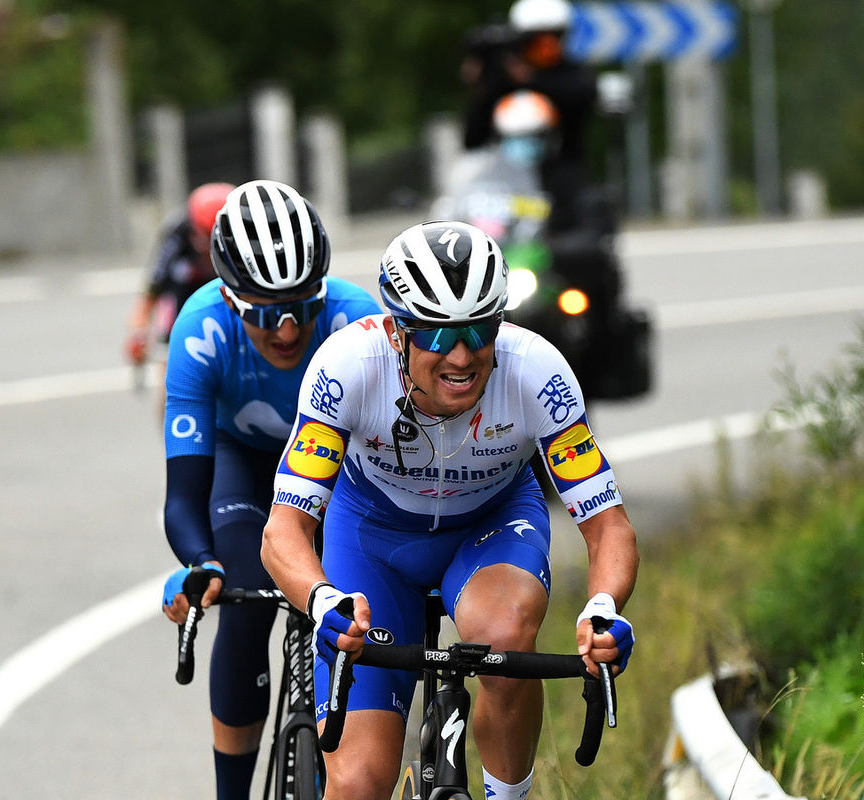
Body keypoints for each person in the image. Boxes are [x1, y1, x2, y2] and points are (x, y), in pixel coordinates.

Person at [260, 220, 639, 800]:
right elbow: (284, 529)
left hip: (492, 527)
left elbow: (607, 525)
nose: (461, 356)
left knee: (506, 636)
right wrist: (321, 598)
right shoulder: (348, 367)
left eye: (479, 329)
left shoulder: (537, 372)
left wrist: (604, 605)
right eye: (436, 336)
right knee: (359, 783)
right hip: (373, 539)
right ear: (396, 332)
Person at [158, 179, 382, 800]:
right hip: (242, 463)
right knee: (245, 599)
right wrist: (200, 564)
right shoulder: (200, 329)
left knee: (355, 600)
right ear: (230, 299)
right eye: (263, 312)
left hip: (338, 467)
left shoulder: (356, 319)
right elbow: (183, 495)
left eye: (301, 306)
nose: (286, 331)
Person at [460, 0, 595, 233]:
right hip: (504, 184)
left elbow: (581, 96)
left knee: (577, 228)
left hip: (561, 180)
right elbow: (473, 138)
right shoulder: (502, 78)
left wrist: (530, 79)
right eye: (535, 39)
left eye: (553, 38)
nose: (545, 46)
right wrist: (481, 88)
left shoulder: (571, 76)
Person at [125, 181, 234, 420]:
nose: (208, 247)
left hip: (229, 300)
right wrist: (139, 334)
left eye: (215, 238)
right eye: (203, 236)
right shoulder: (177, 232)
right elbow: (151, 291)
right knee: (171, 382)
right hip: (182, 301)